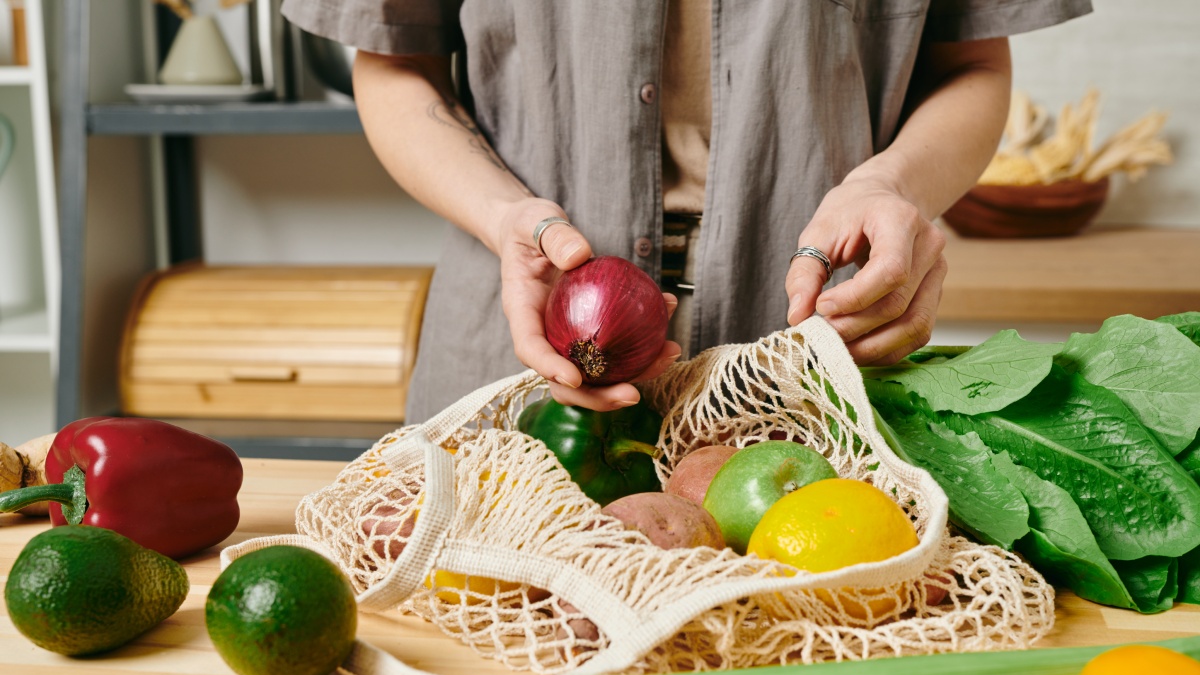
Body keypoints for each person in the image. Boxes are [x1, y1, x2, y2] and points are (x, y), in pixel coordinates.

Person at [282, 0, 1092, 423]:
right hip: (518, 350)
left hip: (809, 357)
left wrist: (896, 189)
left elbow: (974, 63)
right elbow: (392, 63)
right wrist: (504, 219)